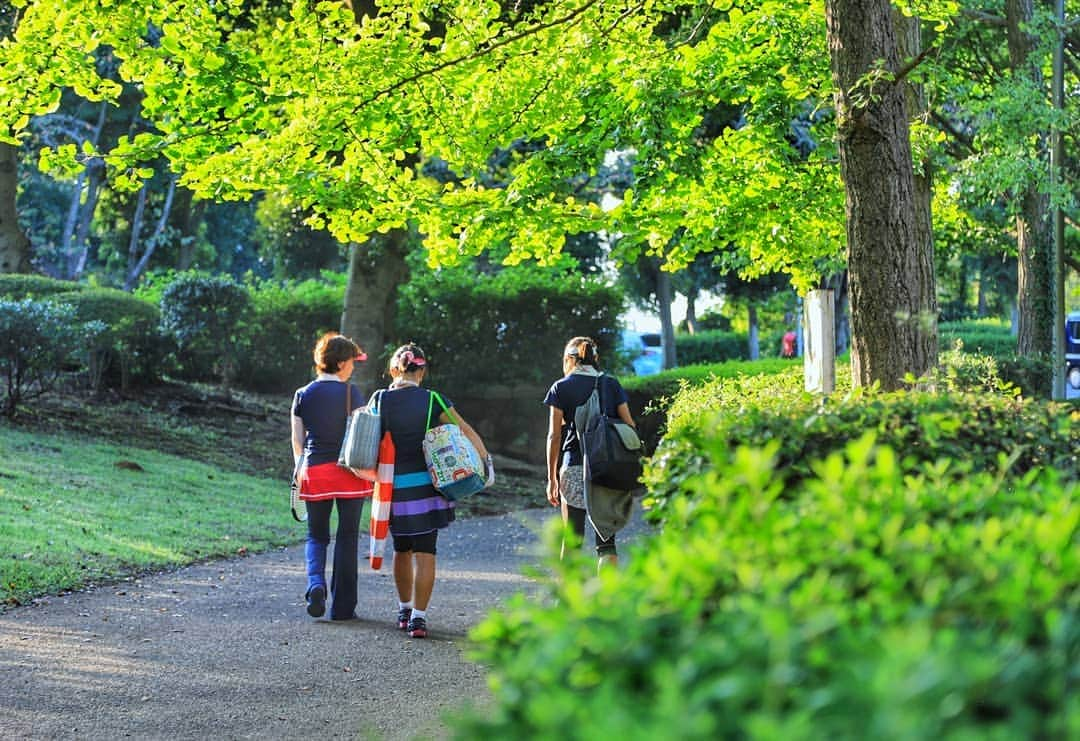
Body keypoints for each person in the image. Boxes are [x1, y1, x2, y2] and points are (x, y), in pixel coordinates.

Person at [379, 343, 490, 638]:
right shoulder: (433, 400)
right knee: (426, 552)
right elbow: (464, 430)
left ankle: (403, 609)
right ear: (422, 371)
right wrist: (484, 460)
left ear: (394, 369)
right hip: (428, 489)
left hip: (393, 490)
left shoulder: (380, 400)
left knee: (401, 549)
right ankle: (418, 618)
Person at [291, 333, 373, 621]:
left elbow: (298, 441)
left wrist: (301, 472)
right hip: (349, 472)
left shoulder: (302, 394)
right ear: (340, 363)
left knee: (316, 535)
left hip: (315, 471)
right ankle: (343, 608)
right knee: (348, 537)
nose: (353, 367)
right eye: (351, 362)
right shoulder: (353, 394)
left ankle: (315, 585)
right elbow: (363, 437)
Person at [543, 336, 636, 571]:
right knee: (606, 542)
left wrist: (552, 478)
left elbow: (554, 436)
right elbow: (630, 425)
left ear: (568, 359)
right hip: (607, 468)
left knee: (572, 539)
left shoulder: (560, 387)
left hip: (573, 466)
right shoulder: (611, 384)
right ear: (595, 358)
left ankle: (566, 601)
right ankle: (606, 602)